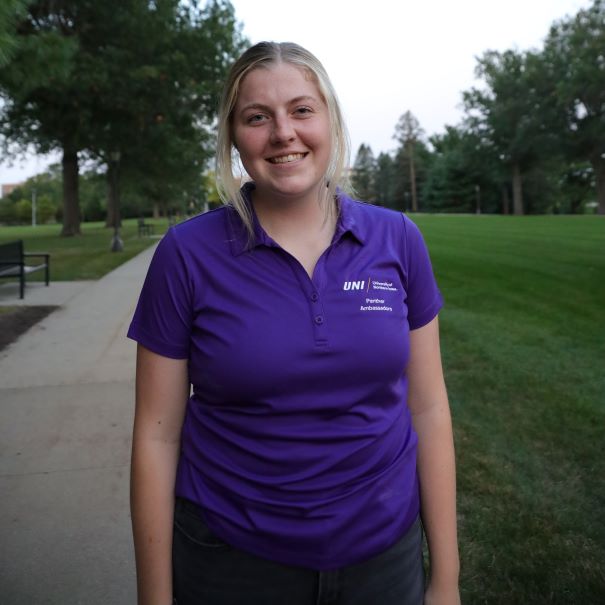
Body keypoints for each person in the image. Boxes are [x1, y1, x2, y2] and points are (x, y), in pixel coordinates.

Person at [128, 41, 460, 605]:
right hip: (232, 560)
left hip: (385, 558)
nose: (284, 132)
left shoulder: (397, 239)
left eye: (302, 110)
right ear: (234, 137)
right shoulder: (186, 254)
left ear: (330, 120)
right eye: (258, 117)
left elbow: (428, 409)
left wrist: (445, 581)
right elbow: (157, 437)